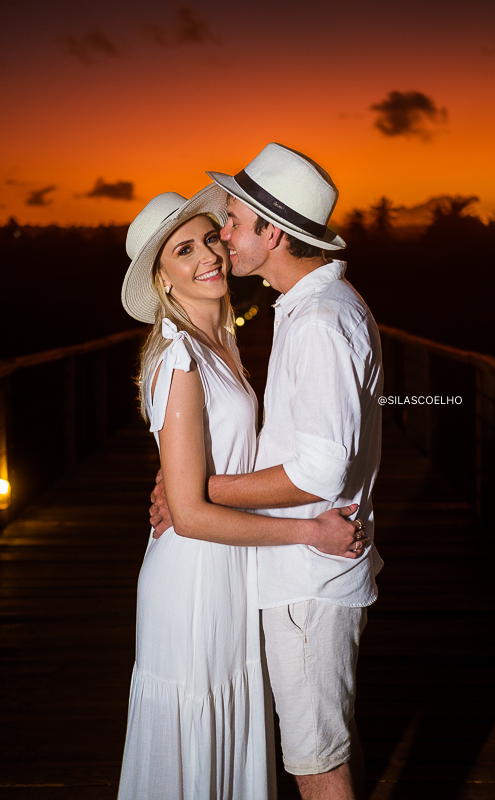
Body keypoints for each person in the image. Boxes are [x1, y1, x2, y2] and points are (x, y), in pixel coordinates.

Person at [117, 184, 369, 800]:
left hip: (236, 567)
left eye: (211, 236)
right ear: (162, 279)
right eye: (184, 250)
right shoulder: (180, 356)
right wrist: (310, 530)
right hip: (195, 577)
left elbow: (202, 483)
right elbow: (191, 516)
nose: (210, 253)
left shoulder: (224, 344)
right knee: (196, 739)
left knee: (233, 736)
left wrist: (196, 486)